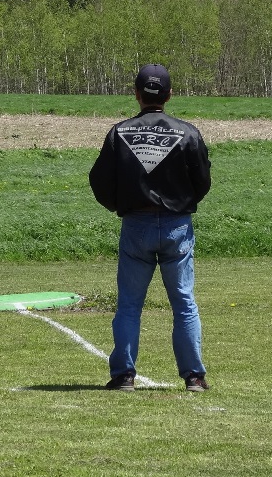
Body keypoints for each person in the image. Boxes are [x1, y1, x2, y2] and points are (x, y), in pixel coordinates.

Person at [89, 64, 212, 392]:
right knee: (184, 303)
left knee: (129, 304)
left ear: (136, 94)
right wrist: (183, 203)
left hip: (136, 225)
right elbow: (203, 180)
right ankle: (194, 377)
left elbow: (99, 181)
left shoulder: (119, 133)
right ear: (169, 95)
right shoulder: (188, 133)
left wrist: (120, 206)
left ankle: (124, 376)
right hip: (177, 225)